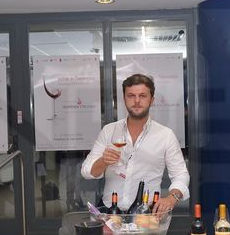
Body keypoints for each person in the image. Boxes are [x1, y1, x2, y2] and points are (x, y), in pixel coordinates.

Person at [81, 73, 189, 214]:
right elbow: (87, 172)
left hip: (147, 214)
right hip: (110, 213)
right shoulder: (109, 131)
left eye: (142, 96)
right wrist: (103, 161)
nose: (137, 101)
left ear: (152, 100)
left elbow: (181, 174)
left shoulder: (166, 135)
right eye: (131, 96)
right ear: (124, 99)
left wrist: (171, 198)